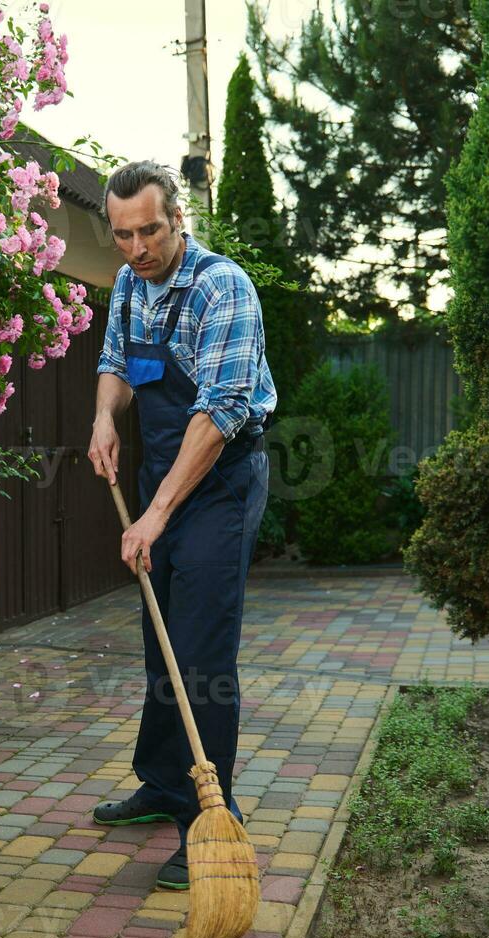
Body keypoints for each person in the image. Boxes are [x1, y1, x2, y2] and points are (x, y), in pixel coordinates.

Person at [87, 160, 277, 890]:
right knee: (158, 640)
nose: (137, 248)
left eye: (150, 230)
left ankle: (209, 818)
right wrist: (105, 416)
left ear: (178, 219)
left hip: (218, 483)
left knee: (198, 653)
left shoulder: (220, 286)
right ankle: (165, 785)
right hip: (159, 474)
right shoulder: (131, 286)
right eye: (123, 234)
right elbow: (113, 363)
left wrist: (156, 515)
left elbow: (219, 413)